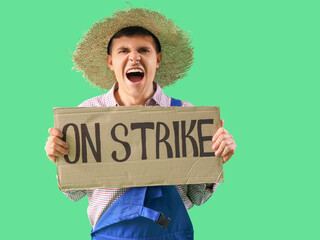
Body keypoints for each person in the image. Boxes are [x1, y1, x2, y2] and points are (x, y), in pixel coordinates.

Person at [45, 8, 236, 240]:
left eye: (143, 50)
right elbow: (74, 193)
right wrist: (61, 158)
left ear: (158, 59)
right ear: (110, 61)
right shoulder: (85, 115)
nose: (134, 57)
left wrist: (215, 159)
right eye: (123, 50)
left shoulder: (185, 114)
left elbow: (198, 197)